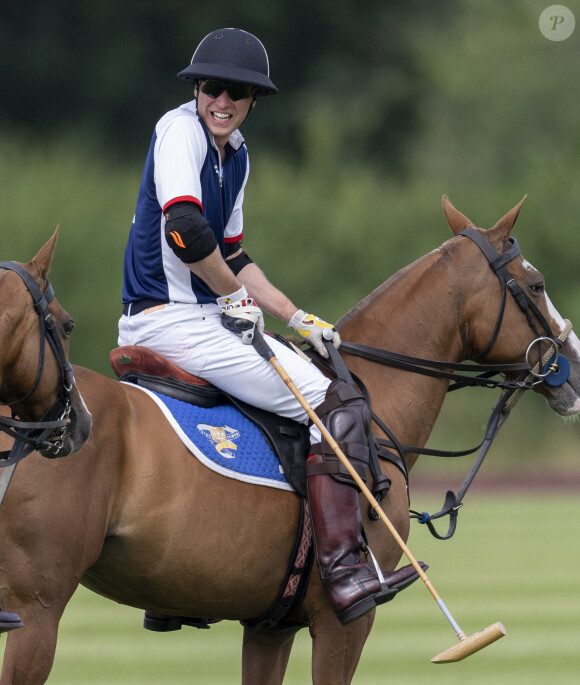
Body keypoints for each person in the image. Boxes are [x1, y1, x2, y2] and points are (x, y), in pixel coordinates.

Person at [118, 27, 420, 627]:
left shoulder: (238, 153)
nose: (222, 102)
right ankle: (341, 565)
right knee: (325, 399)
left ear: (254, 99)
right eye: (212, 88)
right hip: (166, 319)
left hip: (205, 318)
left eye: (238, 92)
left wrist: (292, 314)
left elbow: (231, 253)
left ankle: (193, 571)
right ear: (197, 88)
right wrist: (235, 301)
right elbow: (185, 231)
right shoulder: (180, 130)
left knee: (299, 381)